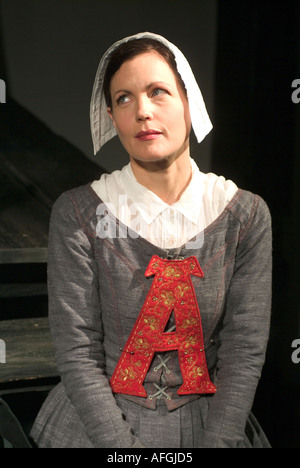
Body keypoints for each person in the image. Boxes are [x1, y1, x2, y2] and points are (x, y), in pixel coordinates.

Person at [30, 32, 272, 448]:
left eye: (158, 92)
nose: (142, 111)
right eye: (124, 99)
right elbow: (77, 353)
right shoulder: (79, 214)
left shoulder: (244, 215)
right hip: (99, 425)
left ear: (188, 102)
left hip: (209, 426)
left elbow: (243, 351)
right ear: (111, 115)